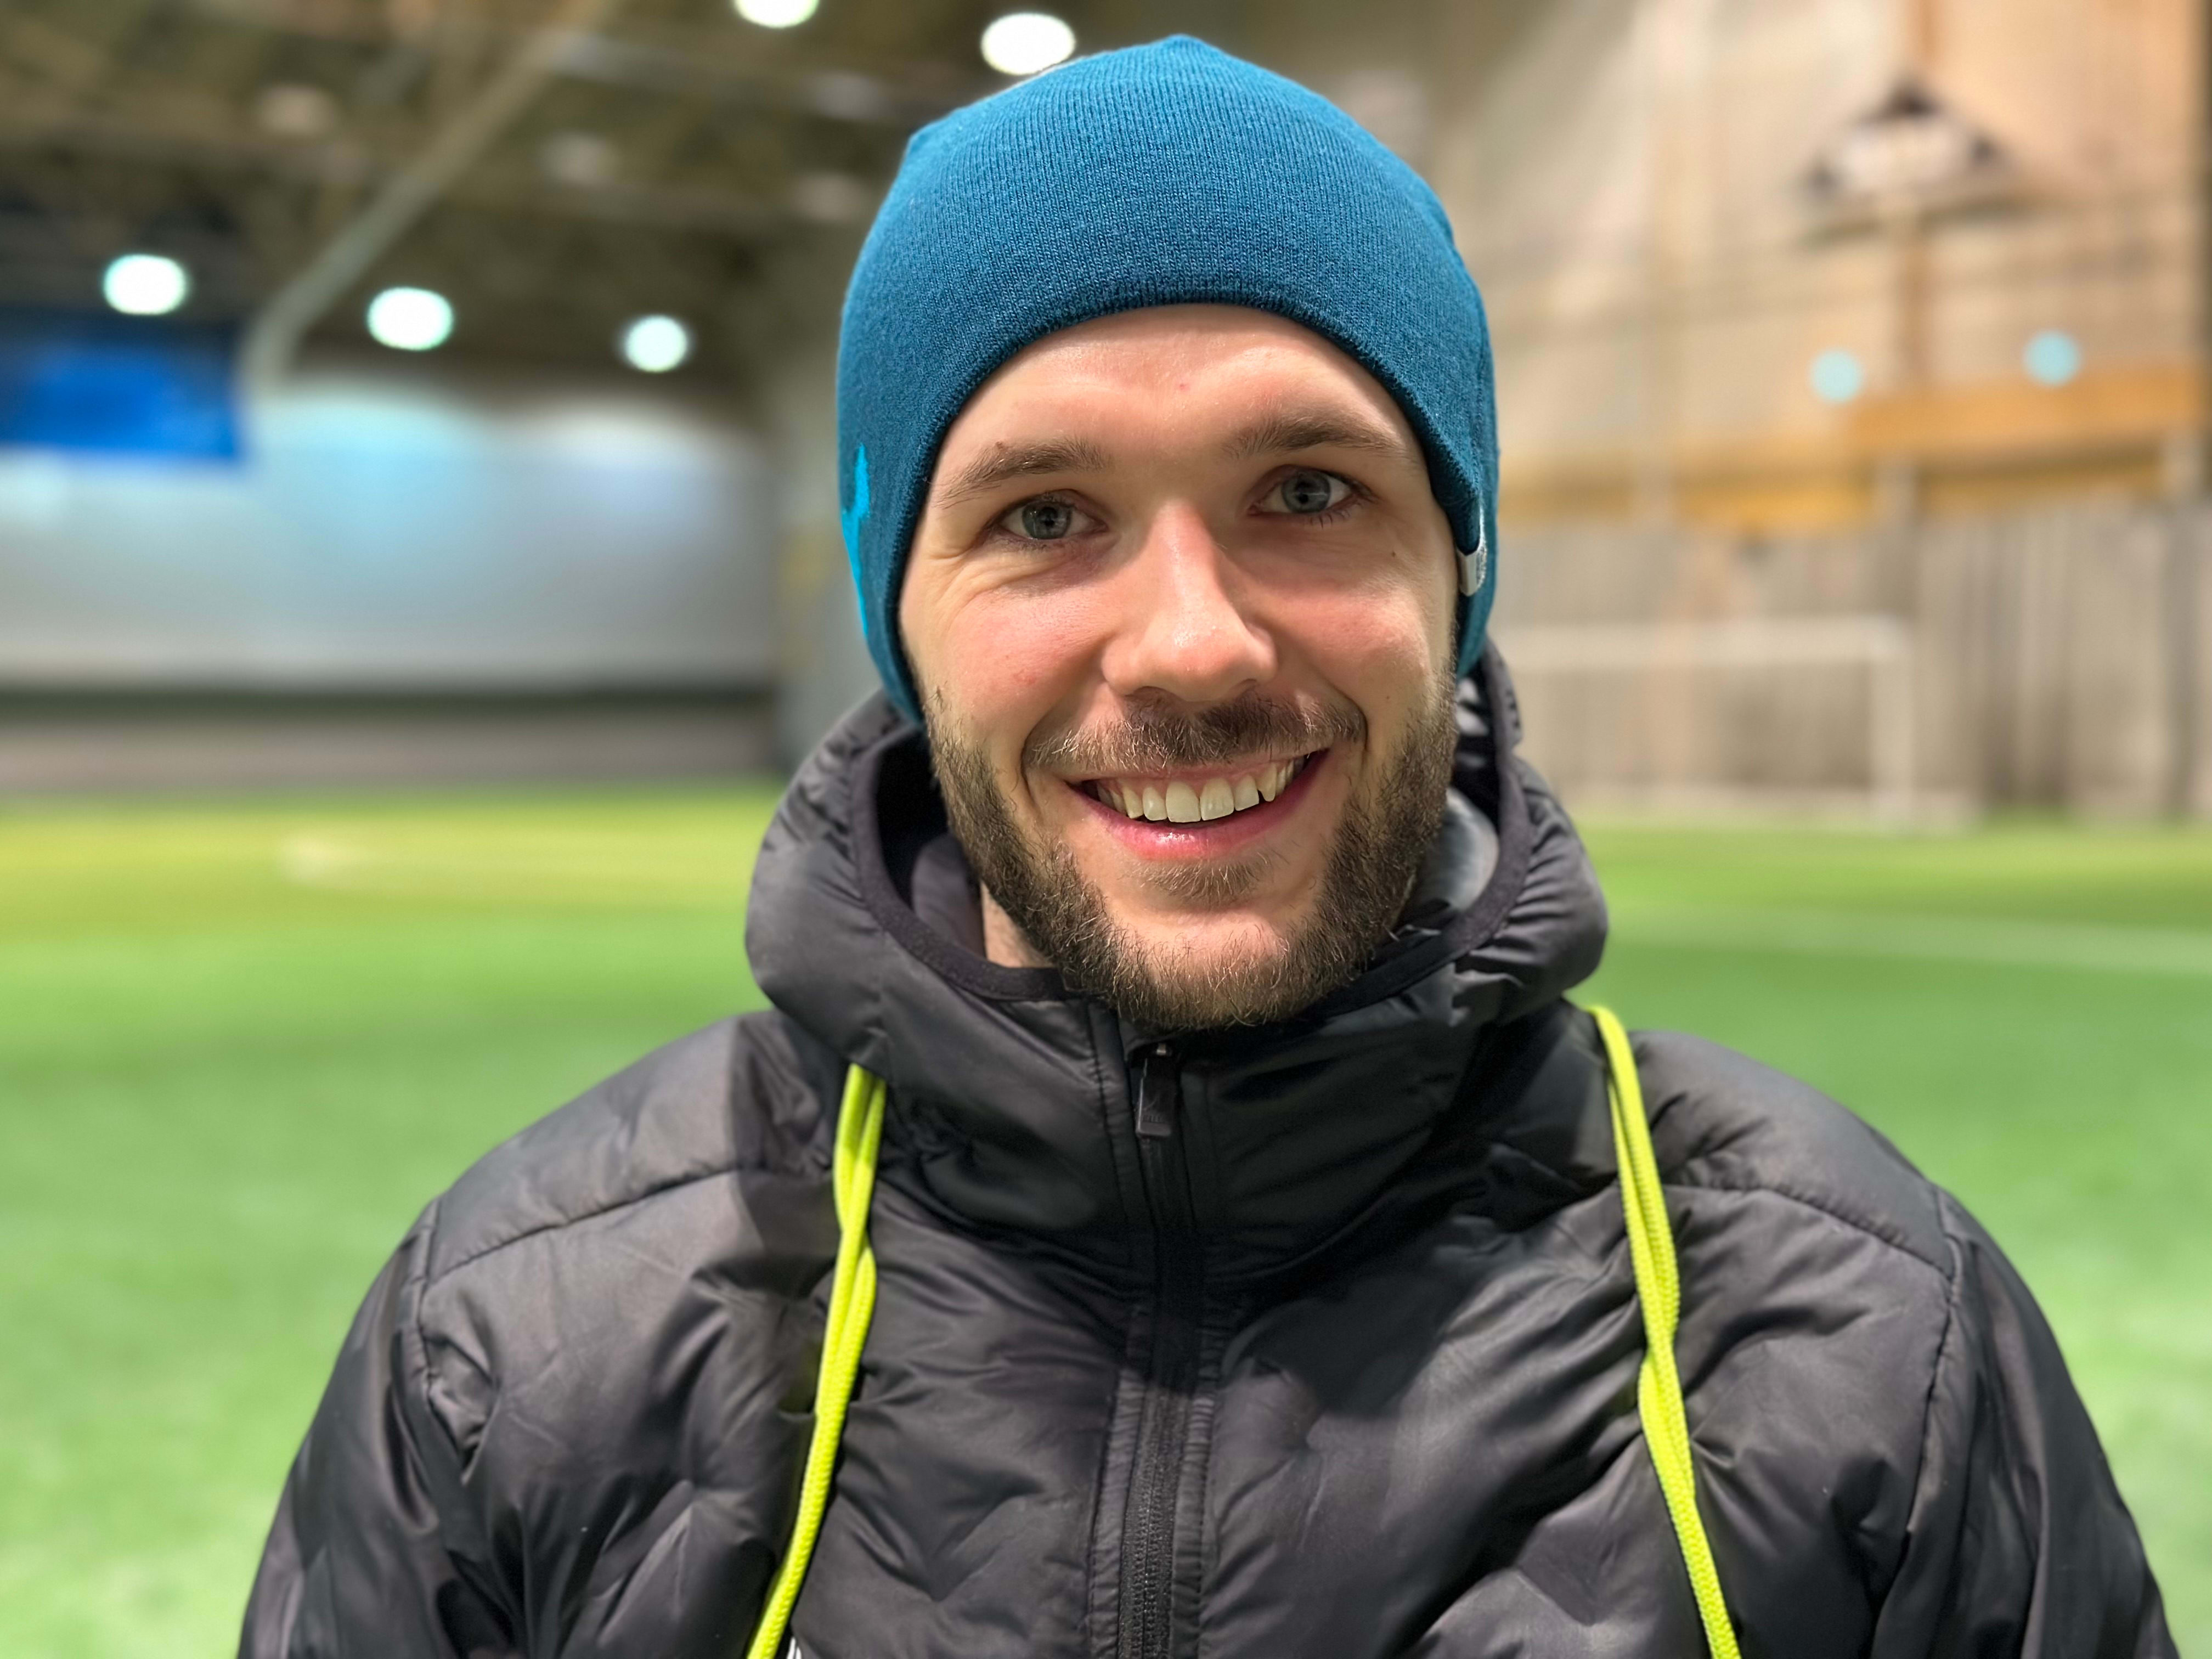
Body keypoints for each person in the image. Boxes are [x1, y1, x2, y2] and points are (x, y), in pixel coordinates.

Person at [241, 38, 2171, 1659]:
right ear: (899, 619)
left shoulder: (1870, 1335)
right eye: (1043, 516)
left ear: (1459, 577)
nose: (1191, 644)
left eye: (1307, 491)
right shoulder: (515, 1341)